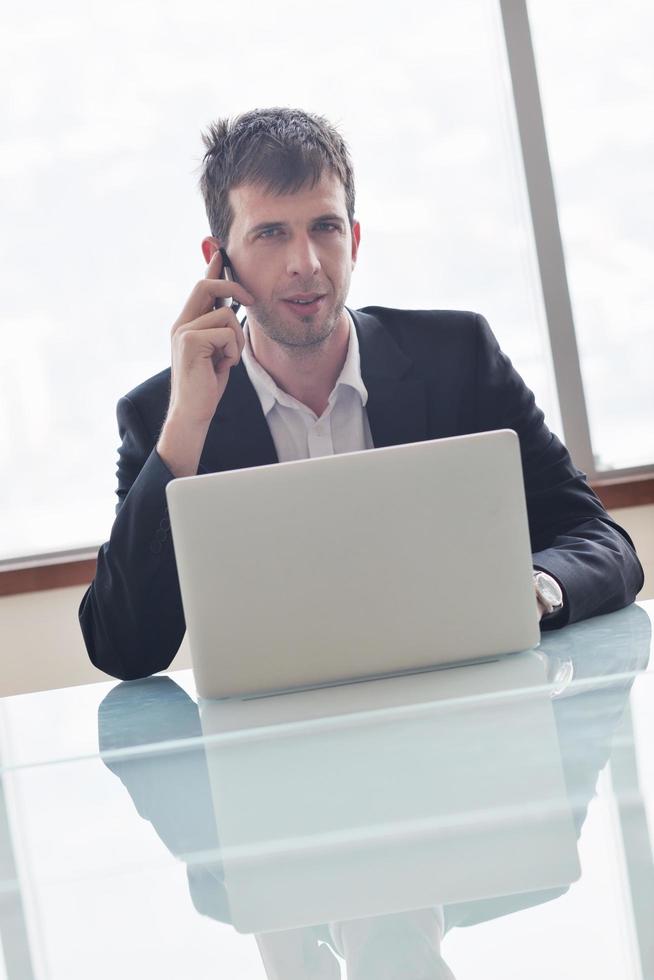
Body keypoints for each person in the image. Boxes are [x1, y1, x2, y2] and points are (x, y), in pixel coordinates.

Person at [79, 107, 644, 681]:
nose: (306, 263)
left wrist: (534, 593)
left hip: (464, 725)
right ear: (218, 259)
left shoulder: (457, 357)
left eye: (324, 228)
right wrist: (185, 431)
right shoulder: (164, 416)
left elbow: (605, 545)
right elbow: (123, 648)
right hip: (272, 747)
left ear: (352, 238)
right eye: (271, 233)